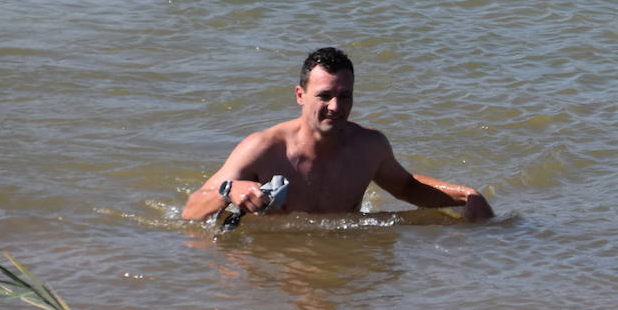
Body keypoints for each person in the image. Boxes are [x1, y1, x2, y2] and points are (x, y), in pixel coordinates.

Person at [182, 47, 494, 222]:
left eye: (345, 96)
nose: (336, 107)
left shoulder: (369, 146)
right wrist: (229, 190)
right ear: (300, 95)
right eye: (325, 96)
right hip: (276, 262)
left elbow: (407, 187)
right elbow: (190, 210)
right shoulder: (263, 148)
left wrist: (464, 195)